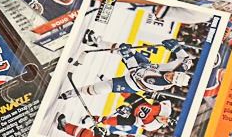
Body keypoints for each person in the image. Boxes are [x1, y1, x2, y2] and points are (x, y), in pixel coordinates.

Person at [58, 38, 194, 99]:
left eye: (171, 79)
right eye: (173, 74)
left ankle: (76, 92)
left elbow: (134, 71)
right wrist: (177, 48)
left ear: (172, 83)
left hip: (132, 82)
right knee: (123, 47)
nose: (169, 76)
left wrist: (127, 55)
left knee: (101, 88)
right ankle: (95, 42)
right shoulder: (180, 68)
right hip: (147, 66)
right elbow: (187, 60)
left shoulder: (158, 83)